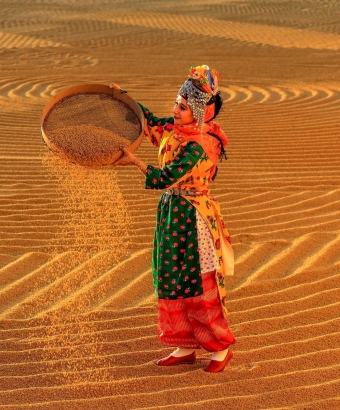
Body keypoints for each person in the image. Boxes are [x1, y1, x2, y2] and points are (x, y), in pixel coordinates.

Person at [111, 65, 236, 373]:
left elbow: (168, 176)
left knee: (199, 282)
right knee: (170, 277)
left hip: (194, 218)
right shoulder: (177, 130)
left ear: (199, 112)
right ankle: (185, 345)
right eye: (176, 103)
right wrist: (124, 99)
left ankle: (219, 349)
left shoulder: (201, 145)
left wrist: (136, 162)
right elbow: (151, 122)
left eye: (181, 106)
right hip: (171, 214)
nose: (175, 110)